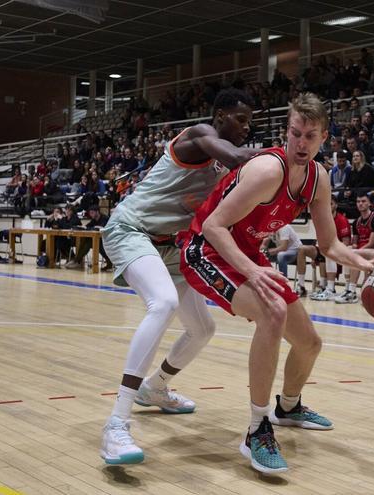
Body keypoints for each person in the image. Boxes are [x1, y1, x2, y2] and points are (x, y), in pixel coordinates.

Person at [178, 92, 374, 474]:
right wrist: (252, 272)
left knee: (310, 343)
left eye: (310, 136)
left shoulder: (318, 178)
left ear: (324, 137)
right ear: (287, 130)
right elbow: (214, 226)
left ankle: (288, 406)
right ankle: (256, 429)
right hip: (207, 249)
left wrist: (367, 263)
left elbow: (329, 244)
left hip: (247, 254)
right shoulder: (268, 170)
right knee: (273, 311)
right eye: (295, 133)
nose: (300, 143)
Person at [99, 89, 258, 465]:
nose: (246, 127)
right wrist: (290, 155)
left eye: (250, 121)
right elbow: (237, 158)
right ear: (219, 116)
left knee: (203, 329)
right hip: (132, 230)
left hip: (172, 247)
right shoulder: (199, 135)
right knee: (164, 302)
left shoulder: (224, 170)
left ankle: (155, 388)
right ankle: (116, 423)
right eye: (240, 118)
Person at [293, 195, 351, 301]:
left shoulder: (342, 220)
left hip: (336, 251)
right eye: (327, 204)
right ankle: (301, 286)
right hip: (323, 249)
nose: (328, 206)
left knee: (328, 252)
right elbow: (319, 239)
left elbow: (346, 243)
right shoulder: (322, 220)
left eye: (331, 204)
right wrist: (313, 257)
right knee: (302, 249)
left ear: (336, 206)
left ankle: (328, 287)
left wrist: (332, 249)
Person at [336, 192, 374, 304]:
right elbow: (355, 242)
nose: (360, 204)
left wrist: (355, 251)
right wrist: (350, 248)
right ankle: (348, 288)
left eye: (363, 201)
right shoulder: (356, 222)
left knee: (354, 254)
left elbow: (372, 243)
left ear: (370, 203)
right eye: (358, 202)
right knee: (346, 251)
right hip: (361, 250)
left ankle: (352, 291)